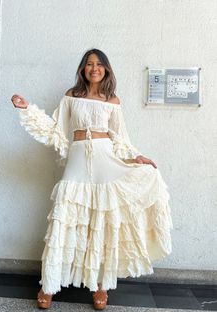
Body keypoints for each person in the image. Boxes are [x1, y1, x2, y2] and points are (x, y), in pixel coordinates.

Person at [11, 48, 173, 310]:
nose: (94, 68)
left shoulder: (112, 100)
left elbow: (120, 139)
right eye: (89, 64)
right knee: (65, 219)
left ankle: (100, 287)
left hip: (105, 160)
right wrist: (26, 109)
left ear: (106, 69)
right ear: (83, 69)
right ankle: (48, 286)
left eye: (99, 64)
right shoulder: (71, 96)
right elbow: (55, 130)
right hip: (77, 160)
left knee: (103, 222)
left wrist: (137, 157)